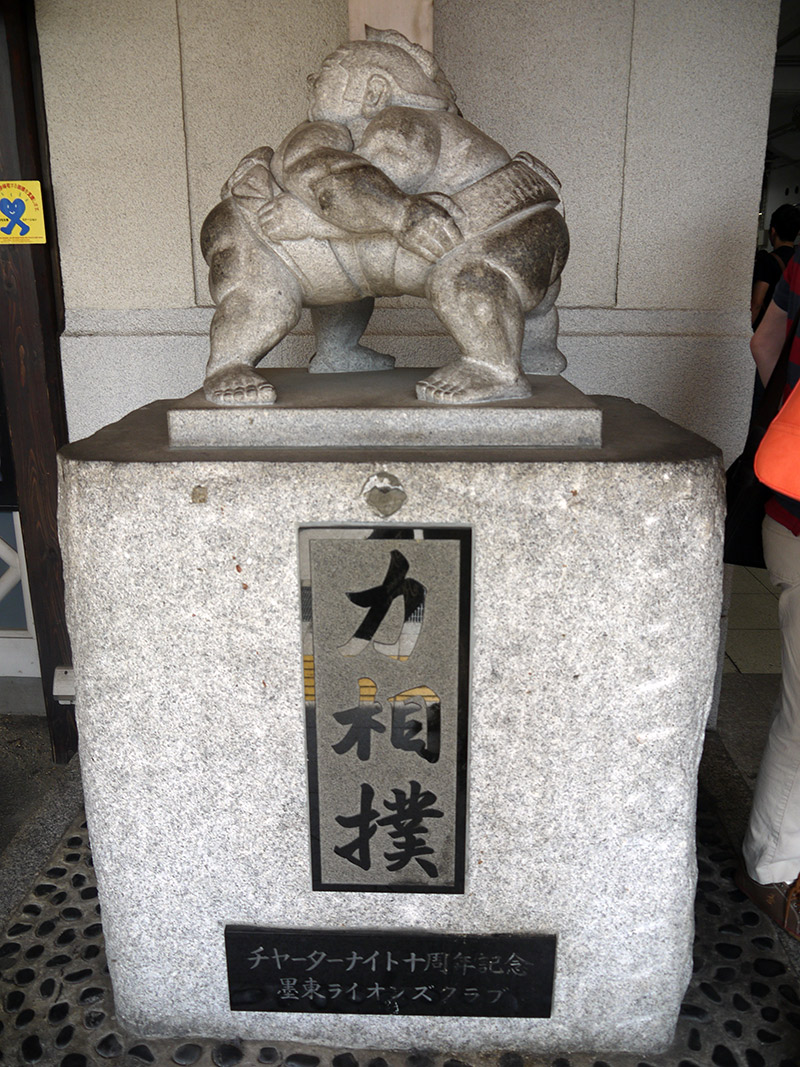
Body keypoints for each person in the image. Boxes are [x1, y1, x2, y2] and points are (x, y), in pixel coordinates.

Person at [200, 28, 569, 406]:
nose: (313, 82)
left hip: (496, 237)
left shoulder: (401, 124)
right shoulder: (387, 130)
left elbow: (348, 185)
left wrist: (348, 217)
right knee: (297, 284)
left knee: (465, 279)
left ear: (373, 91)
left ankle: (494, 366)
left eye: (327, 75)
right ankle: (316, 354)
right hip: (526, 226)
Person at [735, 246, 800, 938]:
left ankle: (776, 861)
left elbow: (765, 342)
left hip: (792, 510)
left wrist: (783, 417)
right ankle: (772, 866)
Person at [751, 203, 800, 331]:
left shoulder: (767, 261)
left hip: (768, 330)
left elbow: (757, 303)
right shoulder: (796, 261)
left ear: (773, 231)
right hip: (788, 329)